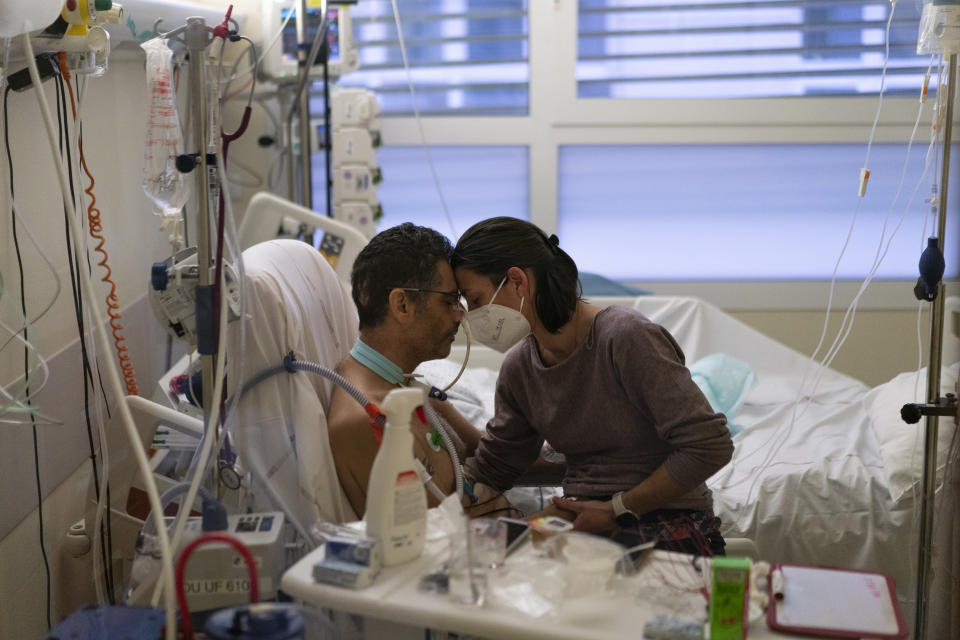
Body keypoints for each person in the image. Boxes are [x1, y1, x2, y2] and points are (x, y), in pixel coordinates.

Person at [451, 217, 734, 555]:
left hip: (665, 522)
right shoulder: (519, 368)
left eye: (476, 299)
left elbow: (710, 446)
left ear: (516, 281)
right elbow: (498, 464)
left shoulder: (624, 337)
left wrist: (618, 508)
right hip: (584, 521)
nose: (470, 315)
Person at [326, 222, 516, 519]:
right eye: (449, 301)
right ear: (402, 304)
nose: (460, 315)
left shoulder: (403, 382)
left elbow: (483, 449)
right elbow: (431, 548)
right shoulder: (365, 420)